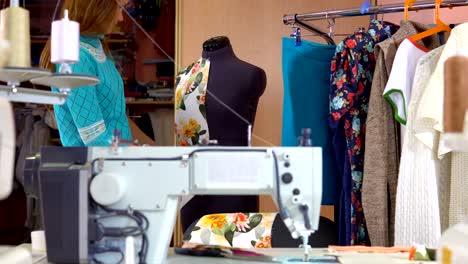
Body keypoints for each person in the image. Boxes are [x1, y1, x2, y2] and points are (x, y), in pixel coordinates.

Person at [40, 0, 154, 146]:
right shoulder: (75, 58)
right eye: (118, 9)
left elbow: (117, 117)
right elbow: (94, 138)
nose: (120, 18)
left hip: (115, 158)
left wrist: (157, 151)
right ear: (98, 7)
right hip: (93, 163)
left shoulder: (97, 45)